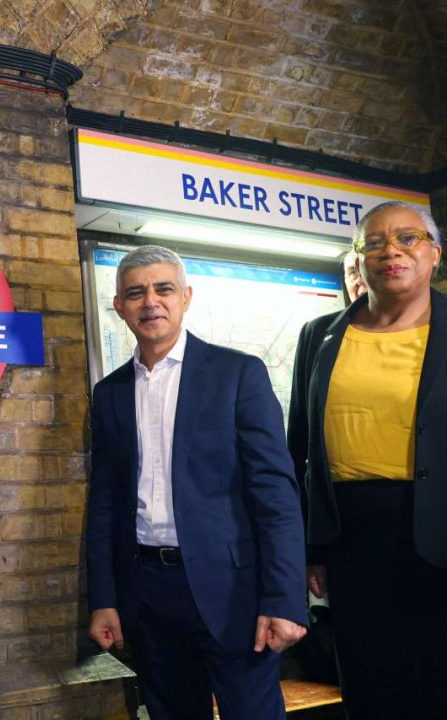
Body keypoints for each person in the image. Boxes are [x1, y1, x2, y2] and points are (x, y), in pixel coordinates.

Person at [87, 245, 306, 720]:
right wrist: (104, 599)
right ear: (120, 307)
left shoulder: (237, 374)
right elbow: (104, 503)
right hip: (147, 593)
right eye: (136, 293)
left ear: (186, 297)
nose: (151, 302)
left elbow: (276, 496)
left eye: (163, 289)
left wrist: (286, 600)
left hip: (234, 593)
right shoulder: (109, 395)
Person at [289, 200, 447, 719]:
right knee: (369, 679)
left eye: (408, 239)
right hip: (352, 538)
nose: (391, 251)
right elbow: (301, 447)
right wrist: (312, 545)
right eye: (373, 242)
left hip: (436, 523)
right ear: (358, 259)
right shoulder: (320, 335)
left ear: (434, 255)